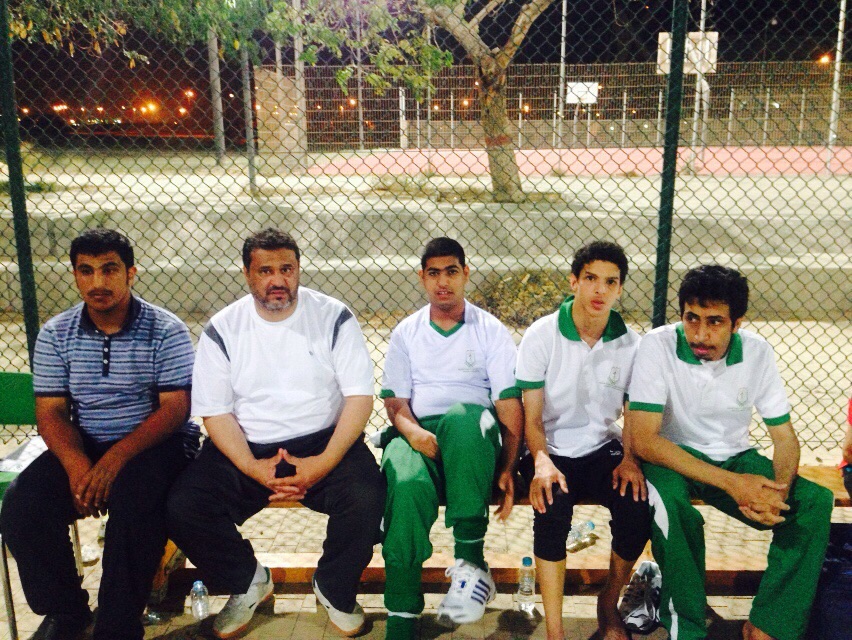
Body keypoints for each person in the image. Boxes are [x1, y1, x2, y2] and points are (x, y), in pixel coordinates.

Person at [167, 228, 384, 639]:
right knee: (184, 506)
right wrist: (252, 467)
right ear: (247, 274)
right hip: (246, 446)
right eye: (265, 271)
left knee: (367, 495)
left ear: (298, 269)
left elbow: (359, 398)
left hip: (323, 440)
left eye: (286, 268)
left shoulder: (334, 316)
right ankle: (248, 581)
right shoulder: (222, 328)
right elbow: (215, 412)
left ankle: (334, 588)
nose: (278, 279)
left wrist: (323, 463)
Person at [0, 228, 199, 640]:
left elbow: (175, 409)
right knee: (23, 505)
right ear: (75, 275)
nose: (98, 282)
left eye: (109, 269)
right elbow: (51, 413)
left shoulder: (167, 329)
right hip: (87, 441)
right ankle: (66, 613)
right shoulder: (56, 333)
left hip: (157, 443)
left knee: (134, 502)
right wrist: (77, 468)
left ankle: (117, 625)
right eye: (86, 271)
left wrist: (114, 461)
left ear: (131, 273)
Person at [629, 265, 834, 640]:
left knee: (814, 504)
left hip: (734, 457)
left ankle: (768, 625)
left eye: (715, 322)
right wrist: (734, 484)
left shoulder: (758, 352)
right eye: (692, 318)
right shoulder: (656, 345)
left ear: (737, 323)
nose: (700, 333)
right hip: (670, 457)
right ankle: (687, 629)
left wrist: (779, 491)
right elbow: (644, 440)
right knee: (671, 509)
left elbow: (785, 438)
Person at [378, 238, 523, 640]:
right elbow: (395, 401)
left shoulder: (490, 330)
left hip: (473, 436)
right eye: (434, 273)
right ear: (422, 278)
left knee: (463, 418)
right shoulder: (407, 332)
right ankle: (401, 613)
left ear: (465, 274)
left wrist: (509, 467)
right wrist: (414, 433)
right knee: (406, 484)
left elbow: (508, 406)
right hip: (418, 432)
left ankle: (471, 566)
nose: (443, 282)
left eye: (451, 272)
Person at [515, 241, 650, 640]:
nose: (599, 290)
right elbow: (531, 418)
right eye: (591, 278)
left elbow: (632, 414)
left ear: (620, 289)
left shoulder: (631, 344)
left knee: (636, 505)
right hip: (549, 447)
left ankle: (609, 602)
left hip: (602, 446)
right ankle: (555, 631)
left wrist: (630, 458)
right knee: (551, 509)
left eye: (610, 282)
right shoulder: (541, 335)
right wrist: (541, 460)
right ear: (574, 281)